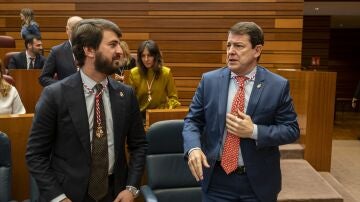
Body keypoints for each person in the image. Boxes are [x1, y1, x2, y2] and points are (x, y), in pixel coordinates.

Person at [26, 18, 147, 202]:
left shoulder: (126, 94)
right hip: (69, 195)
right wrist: (58, 197)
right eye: (113, 44)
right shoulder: (54, 95)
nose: (120, 51)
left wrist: (131, 188)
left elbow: (139, 146)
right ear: (89, 50)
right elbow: (36, 155)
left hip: (114, 194)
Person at [182, 22, 300, 202]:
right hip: (216, 180)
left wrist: (253, 131)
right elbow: (192, 121)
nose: (230, 51)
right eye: (229, 45)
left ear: (257, 50)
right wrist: (193, 148)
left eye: (239, 46)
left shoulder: (277, 85)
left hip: (258, 183)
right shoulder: (209, 81)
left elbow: (291, 130)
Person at [128, 40, 181, 117]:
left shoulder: (166, 73)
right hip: (139, 117)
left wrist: (165, 111)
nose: (146, 59)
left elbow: (173, 98)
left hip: (160, 116)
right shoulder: (134, 73)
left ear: (156, 56)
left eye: (149, 55)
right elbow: (129, 101)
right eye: (143, 56)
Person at [38, 16, 83, 87]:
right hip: (67, 95)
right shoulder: (57, 51)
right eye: (74, 28)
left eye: (81, 28)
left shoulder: (92, 49)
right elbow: (44, 78)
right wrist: (63, 86)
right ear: (67, 30)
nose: (77, 32)